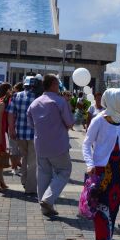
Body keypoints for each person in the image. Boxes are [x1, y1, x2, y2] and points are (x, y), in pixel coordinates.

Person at [82, 88, 120, 240]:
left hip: (119, 171)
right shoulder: (99, 120)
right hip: (102, 169)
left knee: (114, 206)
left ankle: (108, 239)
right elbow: (86, 144)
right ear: (114, 102)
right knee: (101, 206)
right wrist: (89, 164)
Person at [27, 74, 74, 216]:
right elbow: (70, 123)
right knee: (64, 171)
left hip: (40, 144)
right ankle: (48, 199)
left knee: (43, 174)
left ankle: (44, 206)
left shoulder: (34, 103)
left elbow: (31, 124)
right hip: (58, 144)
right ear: (53, 84)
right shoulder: (59, 102)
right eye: (57, 84)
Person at [8, 77, 38, 196]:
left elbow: (11, 114)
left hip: (19, 133)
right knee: (33, 161)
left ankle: (24, 181)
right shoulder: (38, 96)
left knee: (24, 158)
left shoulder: (16, 96)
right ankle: (30, 187)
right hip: (34, 134)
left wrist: (11, 129)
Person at [7, 83, 24, 176]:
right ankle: (14, 166)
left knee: (15, 149)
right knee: (17, 149)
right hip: (21, 128)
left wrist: (11, 128)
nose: (13, 90)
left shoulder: (14, 98)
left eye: (15, 88)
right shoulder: (16, 97)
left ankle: (15, 166)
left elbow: (10, 114)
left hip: (14, 127)